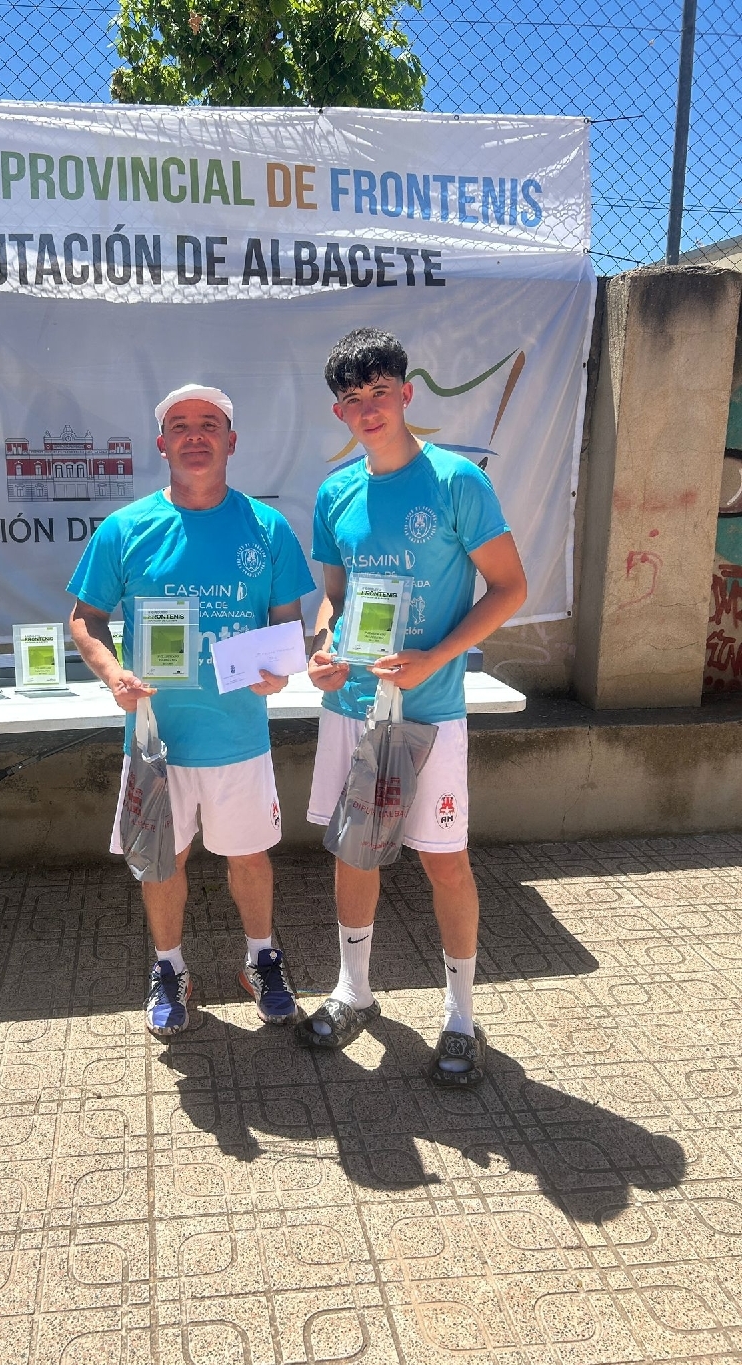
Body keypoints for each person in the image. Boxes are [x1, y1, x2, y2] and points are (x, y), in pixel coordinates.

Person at [298, 328, 527, 1086]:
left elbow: (510, 588)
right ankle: (354, 990)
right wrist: (323, 652)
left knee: (444, 860)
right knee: (353, 851)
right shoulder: (335, 493)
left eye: (379, 392)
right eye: (352, 398)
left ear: (406, 392)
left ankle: (460, 1015)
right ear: (339, 411)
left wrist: (437, 656)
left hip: (429, 708)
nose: (368, 408)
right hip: (353, 707)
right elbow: (334, 600)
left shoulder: (457, 481)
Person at [68, 383, 316, 1039]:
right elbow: (85, 618)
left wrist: (279, 670)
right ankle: (169, 969)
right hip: (158, 739)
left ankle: (261, 960)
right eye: (180, 425)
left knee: (250, 859)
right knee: (162, 861)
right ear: (162, 443)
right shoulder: (125, 529)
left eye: (209, 423)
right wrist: (113, 673)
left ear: (232, 441)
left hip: (239, 737)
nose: (195, 435)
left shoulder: (267, 528)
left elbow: (288, 625)